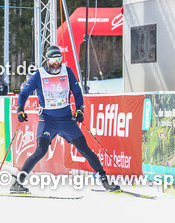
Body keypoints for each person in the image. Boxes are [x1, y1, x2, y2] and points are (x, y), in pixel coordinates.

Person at [10, 45, 119, 194]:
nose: (57, 62)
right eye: (54, 59)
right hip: (47, 120)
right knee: (40, 150)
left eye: (59, 58)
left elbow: (77, 92)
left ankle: (105, 181)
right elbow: (23, 94)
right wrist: (20, 109)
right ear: (47, 60)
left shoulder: (67, 72)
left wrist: (79, 109)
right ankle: (17, 183)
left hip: (66, 119)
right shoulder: (39, 75)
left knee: (84, 149)